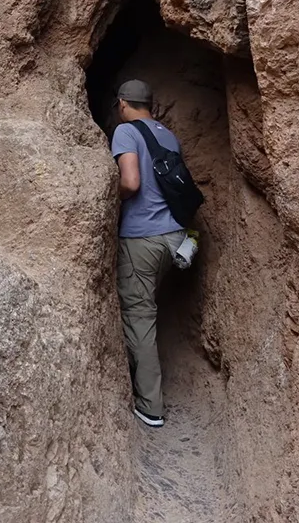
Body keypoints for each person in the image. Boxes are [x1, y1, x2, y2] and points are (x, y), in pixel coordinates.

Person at [109, 78, 187, 428]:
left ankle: (150, 406)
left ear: (122, 104)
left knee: (140, 317)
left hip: (142, 238)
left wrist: (110, 203)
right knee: (148, 307)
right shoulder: (167, 135)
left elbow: (131, 182)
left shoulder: (126, 131)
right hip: (174, 237)